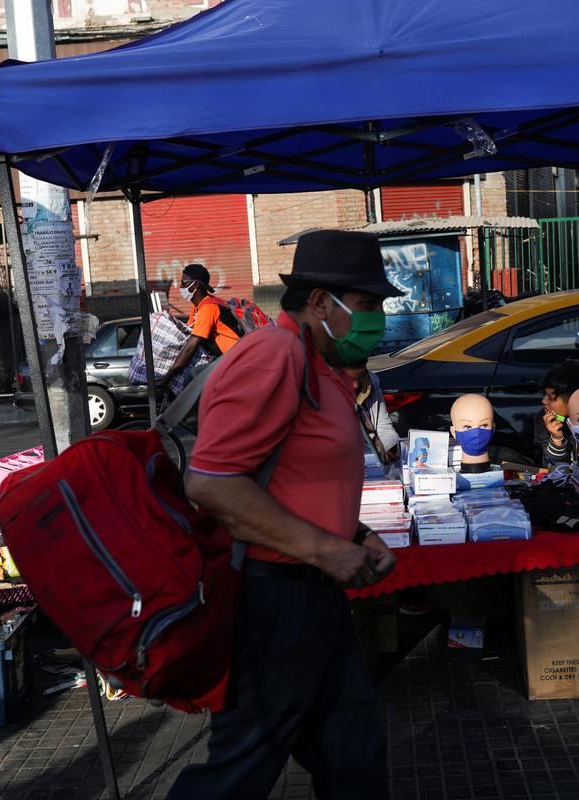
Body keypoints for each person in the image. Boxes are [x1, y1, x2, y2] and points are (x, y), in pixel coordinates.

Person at [170, 230, 402, 800]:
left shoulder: (319, 367)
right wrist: (329, 550)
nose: (377, 320)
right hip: (274, 603)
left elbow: (295, 482)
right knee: (240, 768)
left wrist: (357, 535)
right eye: (369, 306)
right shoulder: (276, 355)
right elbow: (213, 482)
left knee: (354, 753)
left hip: (314, 596)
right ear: (321, 302)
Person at [157, 264, 241, 390]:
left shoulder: (208, 308)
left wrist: (167, 378)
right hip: (224, 360)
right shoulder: (198, 308)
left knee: (192, 377)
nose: (181, 287)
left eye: (183, 283)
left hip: (235, 361)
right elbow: (185, 337)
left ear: (195, 285)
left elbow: (191, 346)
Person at [534, 360, 579, 467]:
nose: (544, 401)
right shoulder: (546, 419)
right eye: (545, 395)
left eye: (551, 398)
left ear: (575, 398)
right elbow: (551, 468)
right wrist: (557, 440)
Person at [344, 361, 401, 465]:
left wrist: (386, 451)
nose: (356, 385)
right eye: (349, 380)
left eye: (360, 379)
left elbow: (384, 429)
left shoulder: (371, 382)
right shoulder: (324, 392)